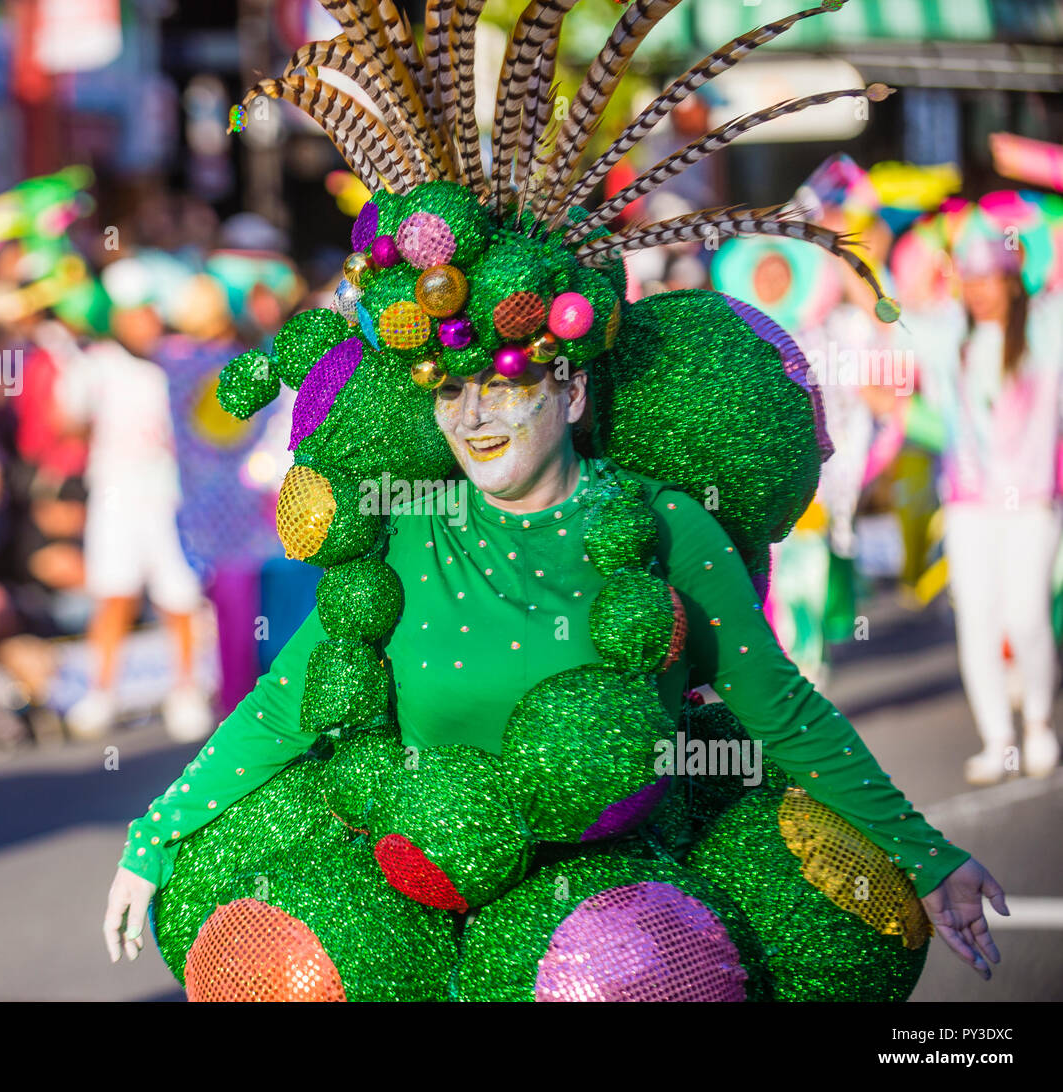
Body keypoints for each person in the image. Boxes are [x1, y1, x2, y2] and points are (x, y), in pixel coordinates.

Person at [103, 0, 1006, 1001]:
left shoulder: (668, 530)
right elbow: (283, 707)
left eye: (505, 384)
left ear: (569, 388)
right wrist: (150, 840)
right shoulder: (406, 539)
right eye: (451, 390)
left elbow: (782, 711)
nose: (475, 415)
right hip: (421, 910)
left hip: (619, 928)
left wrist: (925, 858)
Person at [905, 226, 1063, 783]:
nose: (975, 290)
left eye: (986, 278)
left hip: (1033, 504)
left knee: (1025, 615)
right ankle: (997, 739)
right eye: (967, 279)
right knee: (976, 619)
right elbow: (888, 305)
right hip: (969, 504)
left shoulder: (1048, 329)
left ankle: (1039, 723)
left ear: (1012, 282)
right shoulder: (950, 335)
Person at [57, 265, 210, 742]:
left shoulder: (178, 359)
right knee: (113, 592)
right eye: (135, 312)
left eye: (150, 309)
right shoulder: (94, 364)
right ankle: (102, 692)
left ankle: (186, 690)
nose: (147, 320)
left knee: (179, 594)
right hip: (115, 494)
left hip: (170, 494)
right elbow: (70, 422)